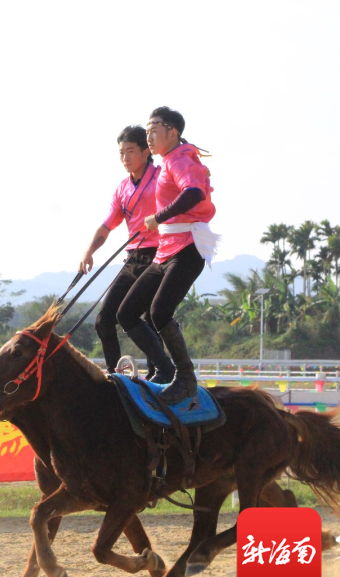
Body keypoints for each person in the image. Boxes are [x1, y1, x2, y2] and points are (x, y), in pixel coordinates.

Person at [116, 106, 219, 403]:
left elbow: (194, 193)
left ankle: (185, 379)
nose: (148, 137)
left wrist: (158, 217)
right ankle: (164, 369)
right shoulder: (171, 160)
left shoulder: (180, 158)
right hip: (166, 249)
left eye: (154, 130)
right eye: (147, 131)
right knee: (127, 313)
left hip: (187, 247)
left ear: (172, 132)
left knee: (159, 312)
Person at [78, 125, 174, 382]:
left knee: (147, 317)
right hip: (133, 258)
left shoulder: (162, 177)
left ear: (145, 151)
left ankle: (159, 373)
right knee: (104, 321)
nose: (125, 158)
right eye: (121, 153)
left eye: (130, 151)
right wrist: (89, 251)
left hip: (159, 256)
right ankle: (115, 377)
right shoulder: (122, 188)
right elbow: (108, 224)